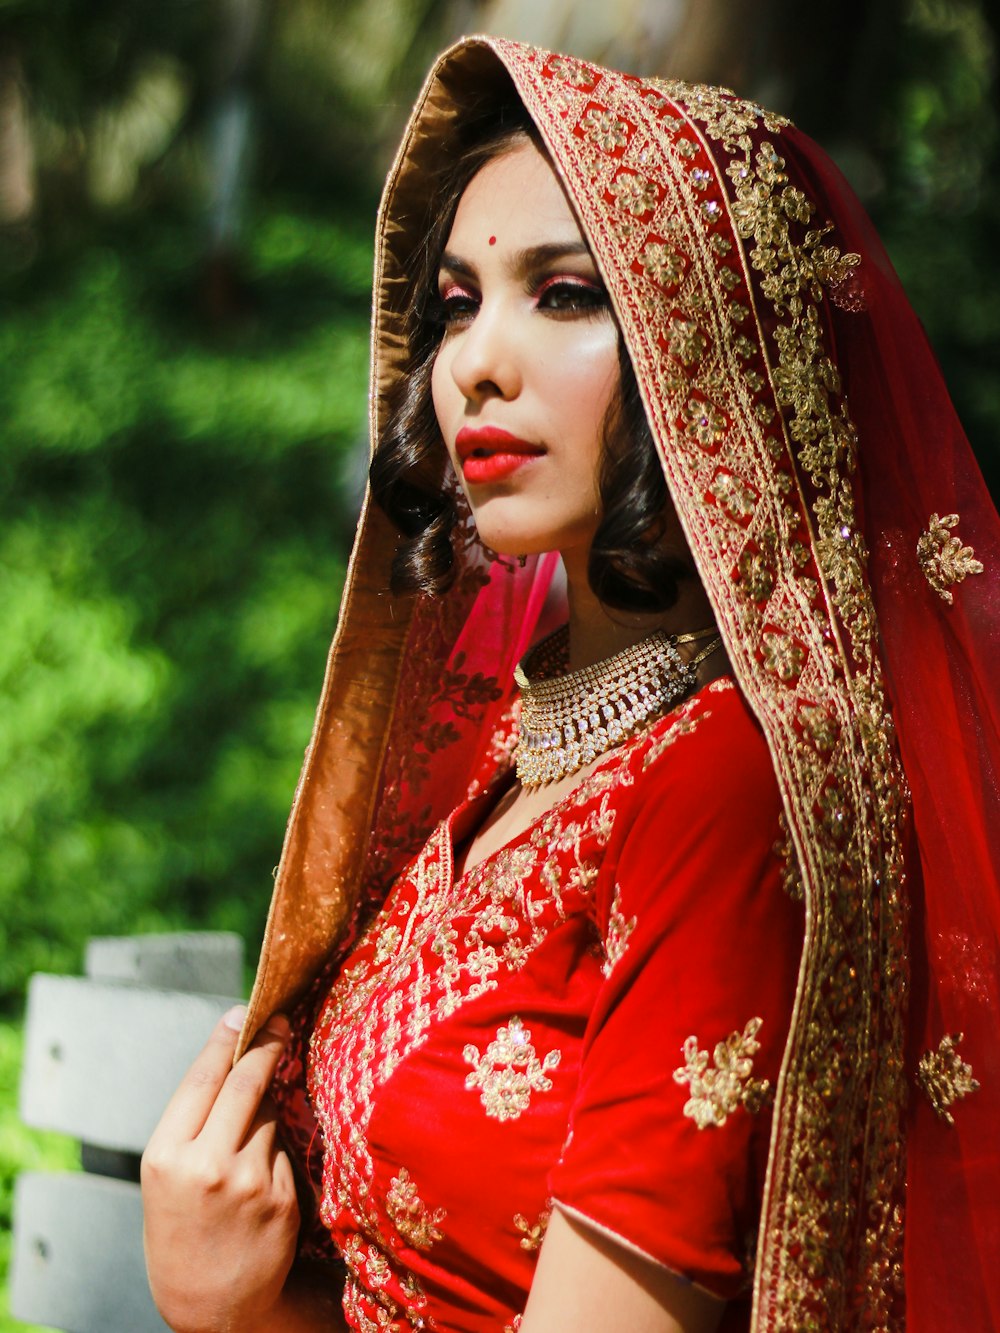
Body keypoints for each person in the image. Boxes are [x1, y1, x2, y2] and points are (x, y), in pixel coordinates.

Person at [141, 35, 1000, 1333]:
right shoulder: (511, 739)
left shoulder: (722, 778)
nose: (476, 361)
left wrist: (229, 1313)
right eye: (452, 304)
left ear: (714, 339)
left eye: (563, 294)